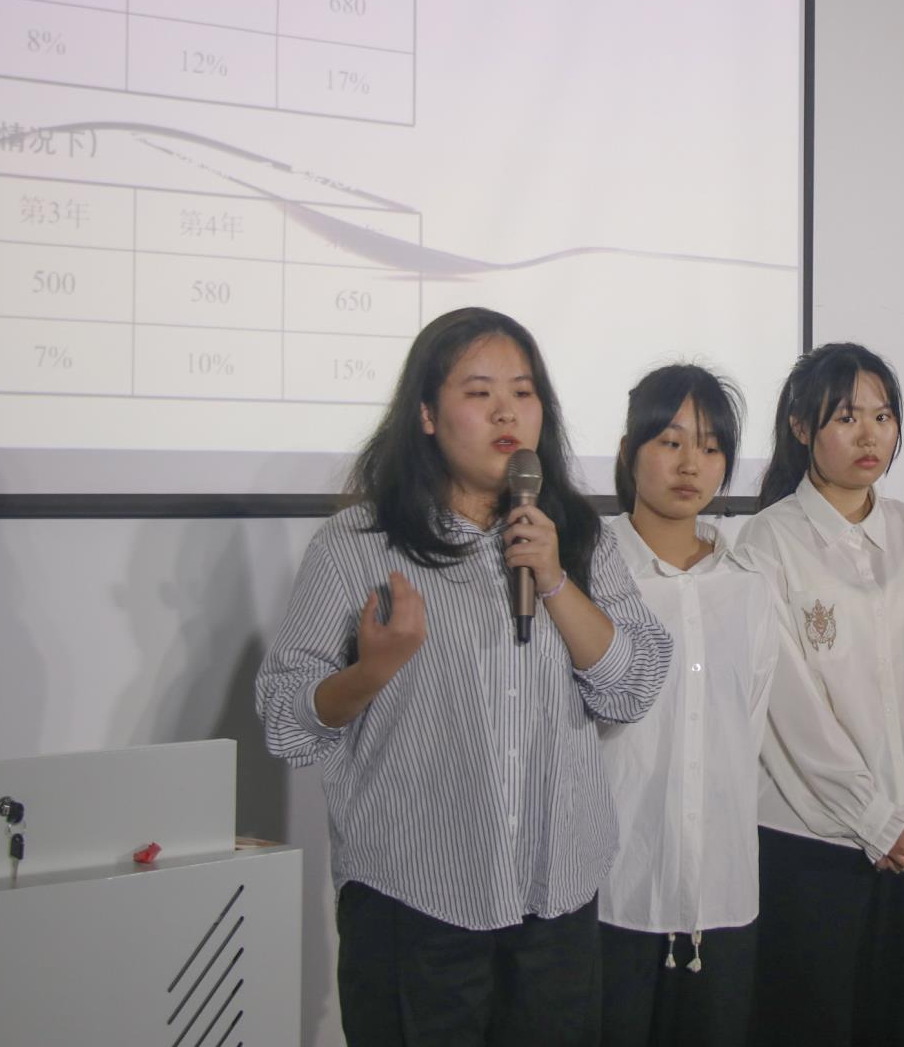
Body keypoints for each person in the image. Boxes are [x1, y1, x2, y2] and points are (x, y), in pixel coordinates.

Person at [254, 306, 673, 1047]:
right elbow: (286, 725)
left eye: (523, 391)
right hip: (414, 906)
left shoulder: (578, 540)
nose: (507, 411)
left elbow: (634, 686)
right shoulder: (357, 546)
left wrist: (554, 580)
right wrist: (371, 671)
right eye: (479, 393)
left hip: (556, 902)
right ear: (426, 414)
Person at [733, 342, 904, 1047]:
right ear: (801, 427)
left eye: (883, 416)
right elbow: (788, 710)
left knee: (896, 1023)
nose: (870, 434)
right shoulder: (766, 543)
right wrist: (872, 818)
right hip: (811, 842)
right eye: (846, 417)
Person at [597, 363, 779, 1047]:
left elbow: (748, 730)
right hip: (610, 890)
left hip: (722, 889)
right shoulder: (586, 573)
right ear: (628, 452)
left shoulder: (749, 587)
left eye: (709, 447)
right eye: (670, 441)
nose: (690, 464)